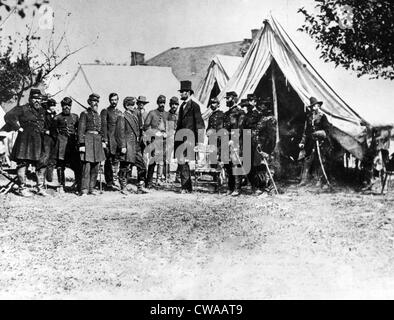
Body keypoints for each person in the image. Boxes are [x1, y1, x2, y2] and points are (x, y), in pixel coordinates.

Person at [4, 88, 48, 196]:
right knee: (22, 163)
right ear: (30, 99)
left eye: (39, 99)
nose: (37, 101)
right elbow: (8, 116)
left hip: (39, 141)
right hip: (25, 140)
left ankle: (40, 188)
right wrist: (17, 127)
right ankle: (22, 188)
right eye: (35, 99)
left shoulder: (43, 111)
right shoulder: (23, 109)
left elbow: (47, 123)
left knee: (41, 163)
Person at [175, 80, 205, 193]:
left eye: (182, 92)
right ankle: (187, 187)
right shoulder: (182, 106)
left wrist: (200, 141)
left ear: (187, 92)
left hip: (190, 139)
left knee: (184, 162)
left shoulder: (194, 106)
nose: (181, 94)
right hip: (181, 139)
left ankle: (185, 187)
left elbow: (200, 124)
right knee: (182, 162)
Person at [115, 97, 149, 194]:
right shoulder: (122, 116)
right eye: (132, 104)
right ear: (127, 106)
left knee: (142, 165)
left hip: (135, 145)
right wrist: (122, 146)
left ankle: (140, 186)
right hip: (127, 145)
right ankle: (123, 187)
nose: (135, 106)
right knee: (125, 167)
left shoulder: (134, 116)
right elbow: (120, 133)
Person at [299, 97, 332, 188]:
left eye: (315, 105)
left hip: (321, 142)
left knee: (320, 160)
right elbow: (306, 131)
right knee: (307, 159)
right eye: (313, 106)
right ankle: (304, 180)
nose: (314, 107)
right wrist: (302, 142)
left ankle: (320, 180)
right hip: (310, 141)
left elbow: (327, 130)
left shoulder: (323, 116)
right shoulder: (309, 117)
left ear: (318, 106)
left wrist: (320, 133)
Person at [78, 93, 106, 196]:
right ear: (89, 102)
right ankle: (84, 190)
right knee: (87, 167)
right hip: (88, 141)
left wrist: (103, 141)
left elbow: (101, 130)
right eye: (94, 101)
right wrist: (81, 144)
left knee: (95, 166)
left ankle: (92, 188)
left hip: (97, 141)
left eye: (97, 101)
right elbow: (81, 130)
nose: (96, 103)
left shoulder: (98, 115)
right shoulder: (84, 114)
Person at [53, 97, 81, 193]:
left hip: (72, 144)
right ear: (61, 106)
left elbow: (79, 130)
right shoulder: (57, 118)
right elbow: (53, 132)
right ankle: (61, 185)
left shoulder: (75, 117)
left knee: (77, 164)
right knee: (61, 165)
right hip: (62, 144)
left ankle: (78, 184)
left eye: (68, 105)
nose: (66, 107)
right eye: (65, 105)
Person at [143, 95, 170, 188]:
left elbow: (172, 127)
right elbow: (145, 126)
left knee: (162, 161)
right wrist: (155, 133)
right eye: (160, 102)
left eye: (163, 102)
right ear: (157, 103)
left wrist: (168, 133)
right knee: (152, 161)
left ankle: (159, 181)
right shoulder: (152, 113)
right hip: (154, 140)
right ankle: (148, 182)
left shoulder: (168, 114)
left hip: (164, 141)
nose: (162, 104)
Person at [252, 97, 277, 194]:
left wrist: (267, 150)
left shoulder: (271, 119)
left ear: (267, 107)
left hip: (266, 147)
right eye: (261, 105)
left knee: (269, 168)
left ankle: (270, 188)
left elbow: (272, 136)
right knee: (259, 167)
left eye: (263, 105)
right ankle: (262, 187)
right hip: (259, 146)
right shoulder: (262, 118)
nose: (261, 107)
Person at [222, 91, 245, 197]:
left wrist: (233, 140)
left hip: (235, 142)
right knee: (228, 165)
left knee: (236, 164)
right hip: (226, 142)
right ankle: (230, 188)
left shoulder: (239, 113)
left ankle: (237, 189)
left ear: (234, 99)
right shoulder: (227, 113)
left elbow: (239, 128)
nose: (226, 101)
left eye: (228, 98)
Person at [101, 93, 122, 190]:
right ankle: (109, 182)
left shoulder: (119, 112)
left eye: (115, 100)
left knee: (116, 160)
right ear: (109, 100)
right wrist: (104, 140)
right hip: (109, 139)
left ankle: (115, 179)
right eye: (112, 100)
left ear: (118, 100)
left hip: (117, 140)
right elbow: (104, 126)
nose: (114, 102)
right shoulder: (105, 111)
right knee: (108, 161)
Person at [38, 97, 58, 186]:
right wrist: (45, 130)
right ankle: (41, 179)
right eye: (51, 106)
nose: (52, 107)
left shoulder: (56, 115)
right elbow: (41, 125)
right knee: (45, 156)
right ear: (48, 106)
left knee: (52, 158)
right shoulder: (44, 114)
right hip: (46, 138)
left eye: (54, 106)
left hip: (54, 138)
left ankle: (49, 177)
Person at [166, 96, 179, 182]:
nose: (174, 106)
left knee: (179, 157)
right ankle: (166, 175)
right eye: (172, 104)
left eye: (175, 104)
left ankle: (178, 176)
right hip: (169, 138)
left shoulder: (180, 115)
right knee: (167, 157)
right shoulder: (167, 115)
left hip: (179, 137)